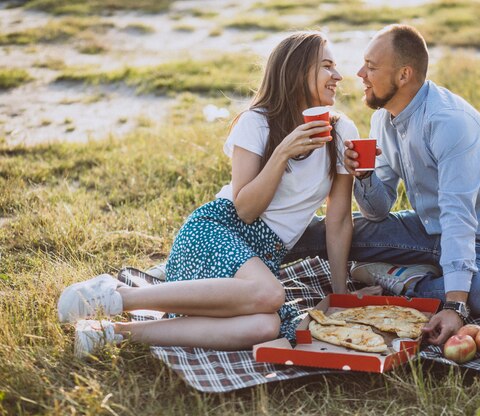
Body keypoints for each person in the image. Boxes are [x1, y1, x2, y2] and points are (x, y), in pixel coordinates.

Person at [57, 31, 359, 357]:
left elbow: (338, 218)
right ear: (299, 72)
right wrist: (282, 153)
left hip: (262, 259)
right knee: (272, 295)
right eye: (328, 66)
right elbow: (245, 210)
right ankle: (114, 296)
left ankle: (112, 332)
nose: (338, 76)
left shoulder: (342, 131)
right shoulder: (257, 123)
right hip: (218, 231)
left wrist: (341, 296)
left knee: (266, 327)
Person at [284, 24, 480, 345]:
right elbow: (378, 211)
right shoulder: (383, 119)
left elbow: (459, 218)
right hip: (430, 231)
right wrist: (364, 176)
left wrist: (456, 306)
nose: (359, 73)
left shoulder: (450, 123)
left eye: (371, 67)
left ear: (403, 75)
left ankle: (402, 279)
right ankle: (245, 262)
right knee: (328, 232)